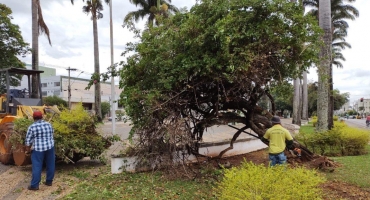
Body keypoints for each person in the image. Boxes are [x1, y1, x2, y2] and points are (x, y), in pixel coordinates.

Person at [25, 110, 55, 190]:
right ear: (42, 117)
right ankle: (49, 181)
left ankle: (34, 185)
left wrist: (27, 150)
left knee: (37, 166)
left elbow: (28, 141)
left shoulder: (32, 127)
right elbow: (52, 133)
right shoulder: (48, 124)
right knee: (50, 164)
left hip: (38, 149)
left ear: (34, 118)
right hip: (50, 147)